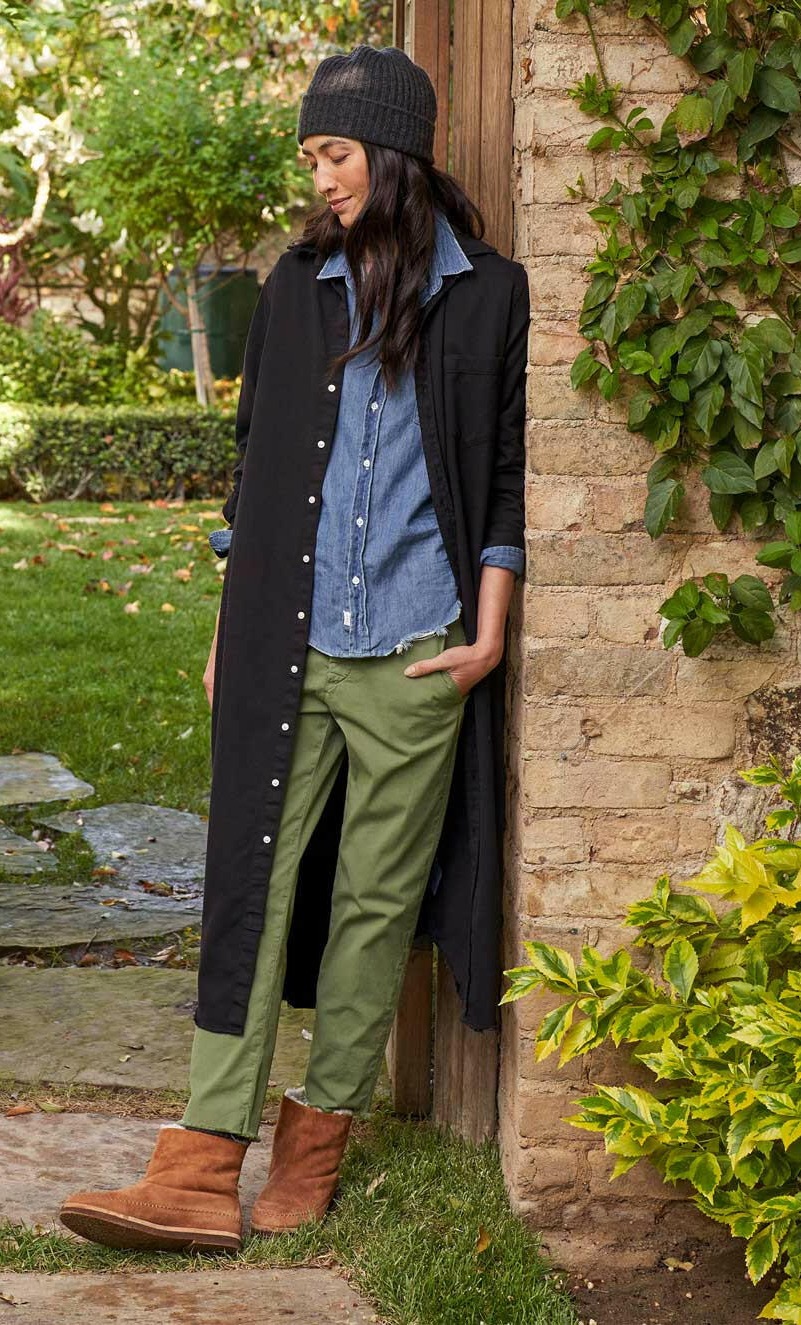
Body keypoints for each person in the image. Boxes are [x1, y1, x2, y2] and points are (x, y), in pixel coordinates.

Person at [59, 42, 529, 1252]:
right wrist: (233, 625)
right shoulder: (292, 288)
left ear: (393, 151)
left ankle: (316, 1144)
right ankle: (202, 1157)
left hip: (421, 648)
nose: (319, 177)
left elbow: (506, 470)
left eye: (334, 153)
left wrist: (488, 630)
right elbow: (254, 474)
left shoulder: (487, 294)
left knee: (374, 904)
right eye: (313, 155)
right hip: (295, 643)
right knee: (250, 889)